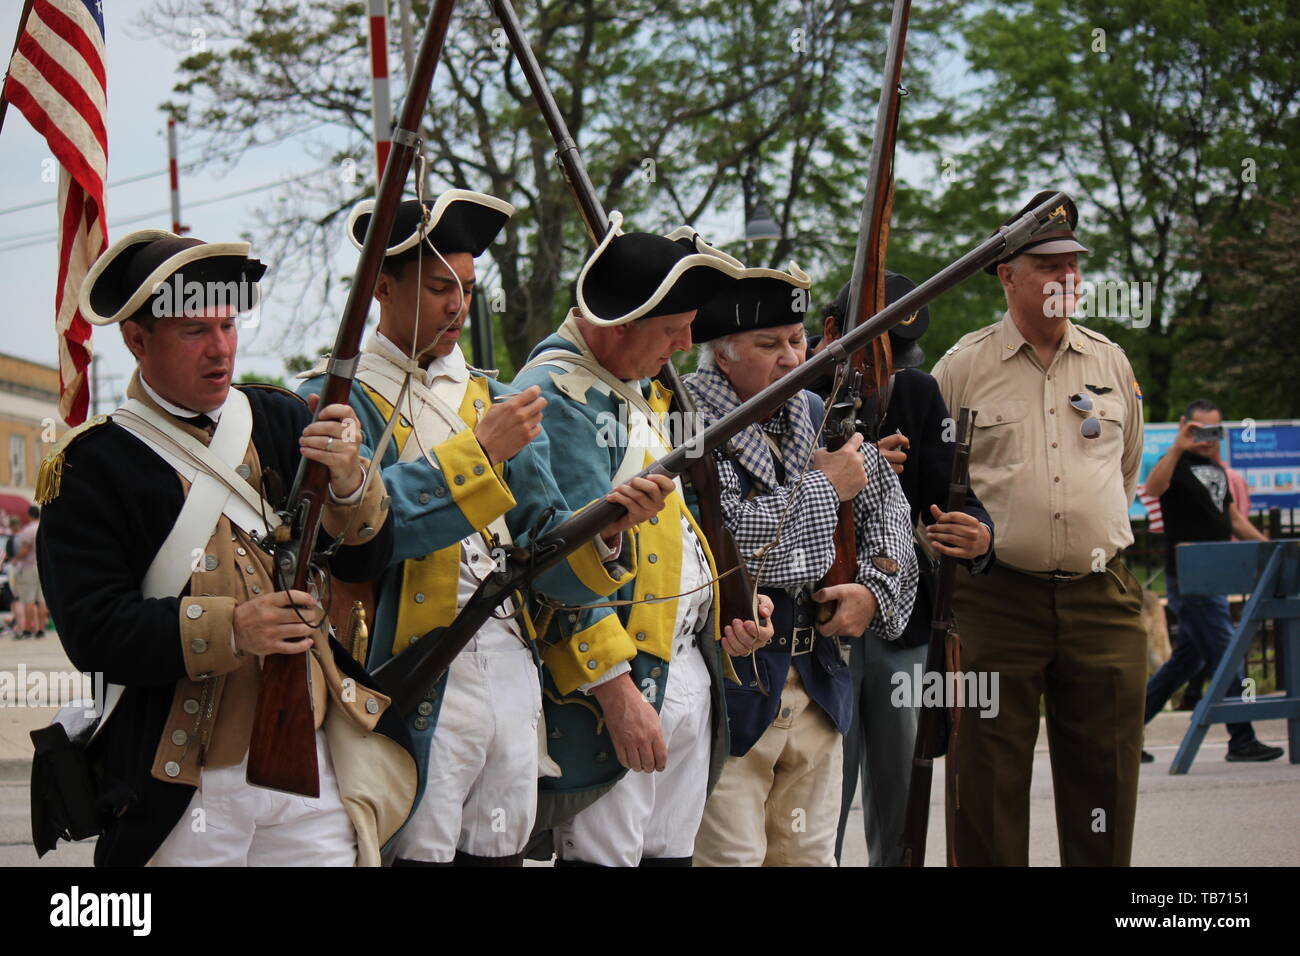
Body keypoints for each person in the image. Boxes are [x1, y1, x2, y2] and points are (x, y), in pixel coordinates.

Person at [298, 194, 676, 866]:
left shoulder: (494, 400)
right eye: (442, 288)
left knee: (499, 849)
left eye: (468, 290)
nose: (459, 307)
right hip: (410, 669)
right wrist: (480, 452)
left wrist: (611, 529)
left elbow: (546, 553)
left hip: (508, 663)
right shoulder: (338, 401)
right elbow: (362, 539)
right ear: (381, 288)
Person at [36, 229, 414, 866]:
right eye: (194, 332)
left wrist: (351, 481)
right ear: (136, 340)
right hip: (182, 777)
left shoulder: (281, 420)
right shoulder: (91, 466)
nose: (221, 350)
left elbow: (363, 562)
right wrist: (234, 628)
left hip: (309, 764)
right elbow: (94, 634)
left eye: (229, 327)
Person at [512, 217, 774, 866]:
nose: (687, 344)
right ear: (617, 324)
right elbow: (555, 570)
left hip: (682, 664)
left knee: (669, 857)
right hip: (620, 685)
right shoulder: (557, 398)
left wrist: (725, 605)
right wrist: (617, 694)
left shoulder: (632, 389)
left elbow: (675, 530)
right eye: (670, 329)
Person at [931, 191, 1148, 866]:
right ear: (1007, 276)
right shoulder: (963, 367)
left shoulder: (1110, 362)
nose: (1066, 279)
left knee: (1106, 777)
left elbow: (1127, 468)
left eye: (1073, 265)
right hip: (997, 601)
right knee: (986, 782)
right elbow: (922, 489)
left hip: (1100, 597)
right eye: (1048, 266)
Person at [684, 268, 918, 867]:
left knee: (812, 859)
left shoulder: (815, 410)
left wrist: (873, 587)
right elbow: (728, 539)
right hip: (730, 690)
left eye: (796, 339)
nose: (792, 358)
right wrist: (823, 487)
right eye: (770, 344)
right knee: (729, 859)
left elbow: (887, 511)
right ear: (721, 353)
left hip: (818, 679)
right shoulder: (686, 421)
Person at [817, 274, 996, 867]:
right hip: (817, 623)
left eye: (899, 355)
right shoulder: (794, 392)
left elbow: (951, 492)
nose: (888, 371)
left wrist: (975, 531)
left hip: (901, 621)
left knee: (901, 797)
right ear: (833, 334)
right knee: (820, 801)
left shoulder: (916, 394)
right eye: (878, 352)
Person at [1138, 400, 1281, 763]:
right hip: (1190, 577)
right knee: (1225, 652)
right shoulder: (1177, 465)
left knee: (1186, 663)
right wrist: (1177, 447)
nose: (1206, 439)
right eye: (1198, 431)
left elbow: (1232, 517)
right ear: (1186, 427)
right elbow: (1152, 489)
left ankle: (1120, 736)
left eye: (1213, 432)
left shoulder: (1214, 467)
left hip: (1215, 578)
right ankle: (1242, 737)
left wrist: (1273, 550)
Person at [10, 508, 46, 639]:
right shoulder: (44, 528)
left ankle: (27, 629)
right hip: (41, 567)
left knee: (28, 600)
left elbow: (24, 551)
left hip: (29, 568)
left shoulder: (28, 531)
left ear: (29, 515)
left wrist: (15, 559)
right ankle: (41, 629)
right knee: (41, 600)